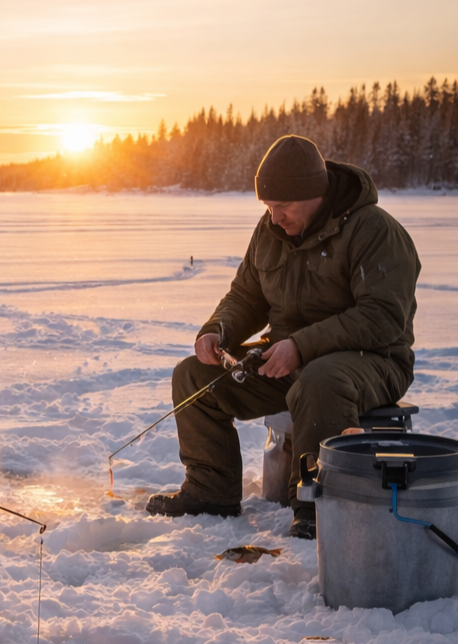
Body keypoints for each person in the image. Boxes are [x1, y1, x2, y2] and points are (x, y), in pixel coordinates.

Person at [145, 134, 420, 540]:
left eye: (283, 207)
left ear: (315, 193)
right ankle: (211, 492)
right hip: (287, 357)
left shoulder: (374, 231)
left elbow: (382, 317)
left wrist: (302, 346)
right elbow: (246, 296)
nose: (275, 217)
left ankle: (313, 502)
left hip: (373, 360)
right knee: (194, 377)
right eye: (268, 207)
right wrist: (217, 330)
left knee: (320, 379)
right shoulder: (270, 231)